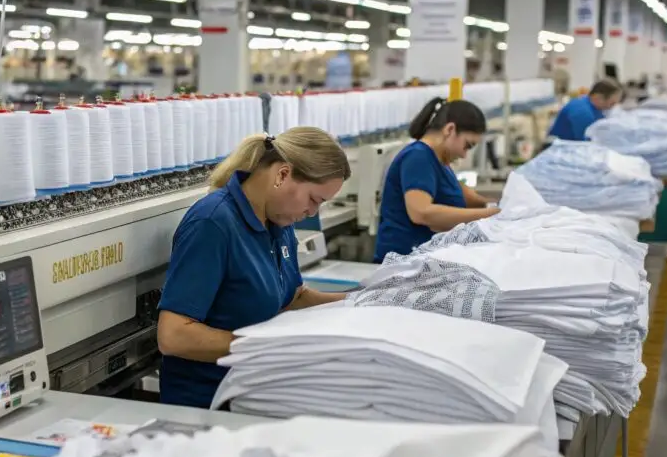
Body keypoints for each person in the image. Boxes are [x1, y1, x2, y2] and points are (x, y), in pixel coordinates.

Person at [156, 127, 351, 408]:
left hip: (256, 388)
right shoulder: (213, 223)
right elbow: (174, 336)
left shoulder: (278, 221)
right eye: (313, 200)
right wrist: (267, 347)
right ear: (282, 175)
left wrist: (358, 303)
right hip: (209, 403)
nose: (312, 212)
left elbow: (293, 297)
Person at [374, 98, 497, 262]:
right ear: (450, 129)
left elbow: (463, 196)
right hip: (404, 265)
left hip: (424, 261)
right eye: (467, 145)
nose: (464, 154)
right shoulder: (418, 157)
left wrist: (498, 206)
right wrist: (489, 215)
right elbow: (421, 213)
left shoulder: (440, 162)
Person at [548, 78, 623, 142]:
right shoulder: (582, 112)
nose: (612, 107)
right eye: (612, 103)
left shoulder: (593, 106)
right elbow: (585, 143)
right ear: (598, 97)